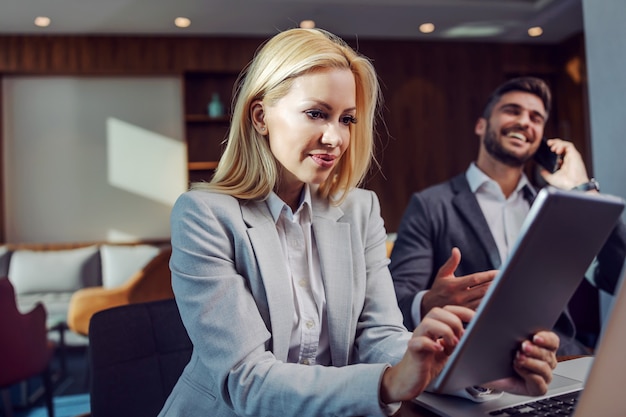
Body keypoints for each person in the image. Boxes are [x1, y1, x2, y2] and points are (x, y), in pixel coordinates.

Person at [158, 30, 559, 417]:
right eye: (317, 114)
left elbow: (380, 336)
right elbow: (245, 380)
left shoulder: (360, 210)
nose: (335, 137)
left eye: (346, 119)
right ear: (260, 116)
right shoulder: (204, 215)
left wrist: (477, 372)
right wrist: (386, 384)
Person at [390, 76, 626, 357]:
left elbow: (618, 278)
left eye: (536, 118)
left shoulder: (555, 207)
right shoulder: (431, 205)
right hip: (472, 361)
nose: (526, 122)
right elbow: (396, 301)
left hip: (557, 357)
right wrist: (428, 302)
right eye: (513, 111)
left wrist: (583, 190)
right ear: (481, 125)